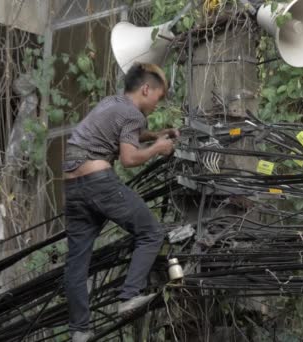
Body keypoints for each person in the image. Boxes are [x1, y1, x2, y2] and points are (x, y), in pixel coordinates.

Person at [62, 63, 178, 342]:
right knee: (151, 232)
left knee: (77, 261)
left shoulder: (111, 104)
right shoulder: (132, 114)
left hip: (71, 185)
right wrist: (158, 148)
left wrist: (156, 135)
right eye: (157, 97)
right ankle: (129, 297)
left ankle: (79, 330)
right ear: (146, 89)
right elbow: (128, 159)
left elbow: (125, 135)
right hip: (98, 182)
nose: (156, 104)